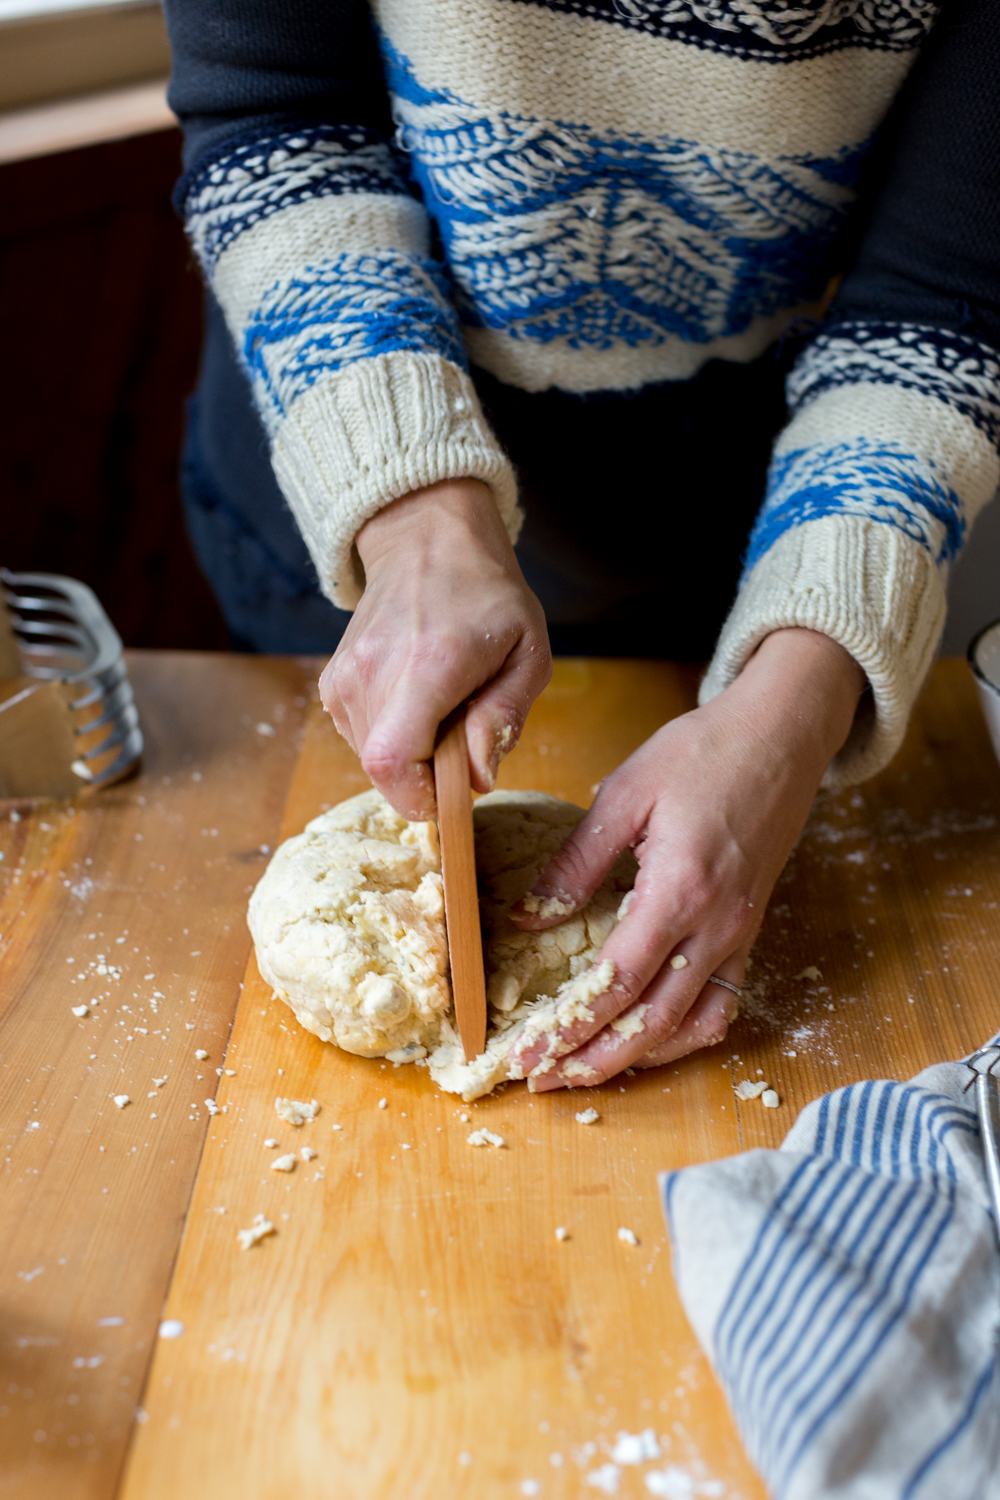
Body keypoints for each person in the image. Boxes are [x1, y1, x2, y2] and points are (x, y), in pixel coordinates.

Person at [164, 0, 999, 1090]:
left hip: (743, 532)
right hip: (349, 472)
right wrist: (415, 517)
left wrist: (791, 711)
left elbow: (946, 302)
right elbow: (274, 117)